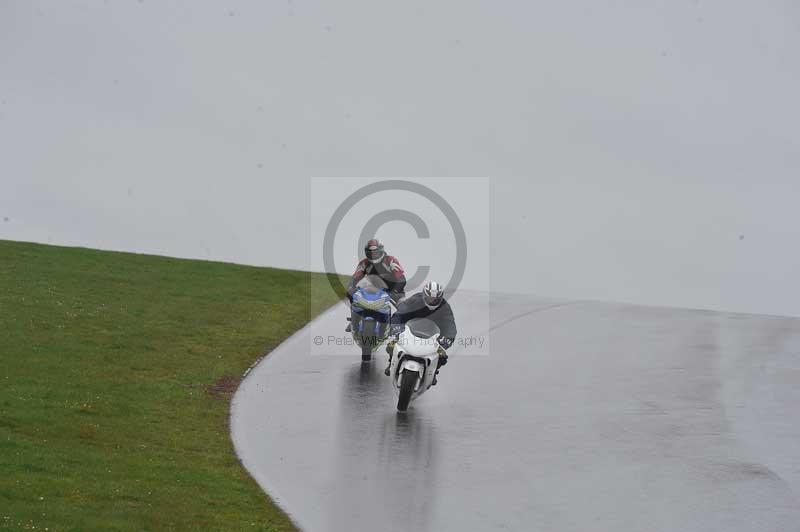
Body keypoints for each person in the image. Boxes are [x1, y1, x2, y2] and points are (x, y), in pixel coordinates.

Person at [384, 280, 456, 385]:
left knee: (442, 356)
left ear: (440, 298)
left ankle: (433, 372)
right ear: (424, 296)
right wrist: (396, 329)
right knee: (391, 344)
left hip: (432, 334)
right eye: (430, 298)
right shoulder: (415, 300)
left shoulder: (445, 307)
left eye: (436, 299)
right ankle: (391, 362)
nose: (432, 301)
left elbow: (450, 326)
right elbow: (400, 314)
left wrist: (446, 340)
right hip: (411, 329)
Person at [345, 239, 406, 332]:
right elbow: (356, 276)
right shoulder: (364, 263)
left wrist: (396, 289)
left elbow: (400, 276)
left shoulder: (391, 260)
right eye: (371, 253)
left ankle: (402, 327)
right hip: (372, 289)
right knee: (353, 296)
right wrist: (351, 288)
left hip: (393, 289)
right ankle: (355, 319)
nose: (373, 255)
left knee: (403, 305)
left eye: (376, 253)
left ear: (381, 251)